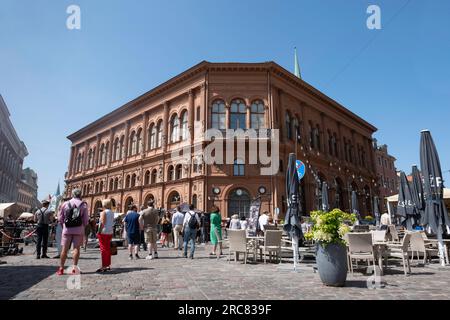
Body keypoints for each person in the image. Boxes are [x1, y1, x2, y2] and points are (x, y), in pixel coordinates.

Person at [57, 189, 89, 275]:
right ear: (80, 195)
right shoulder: (83, 205)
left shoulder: (65, 204)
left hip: (67, 229)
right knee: (76, 249)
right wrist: (81, 226)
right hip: (78, 230)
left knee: (64, 249)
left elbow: (60, 218)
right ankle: (74, 269)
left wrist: (64, 225)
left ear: (72, 194)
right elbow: (86, 221)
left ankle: (61, 268)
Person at [96, 199, 115, 273]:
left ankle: (103, 266)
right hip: (110, 232)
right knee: (107, 249)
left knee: (103, 249)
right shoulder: (112, 213)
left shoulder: (103, 212)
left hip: (103, 232)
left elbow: (102, 223)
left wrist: (99, 231)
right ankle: (108, 265)